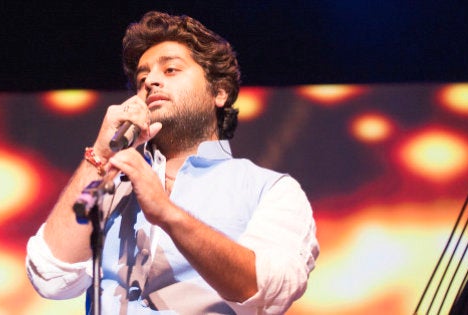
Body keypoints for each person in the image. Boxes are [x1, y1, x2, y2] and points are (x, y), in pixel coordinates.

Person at [26, 11, 319, 315]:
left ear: (219, 92)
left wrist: (167, 214)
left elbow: (269, 292)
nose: (151, 81)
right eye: (142, 78)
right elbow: (50, 277)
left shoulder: (270, 190)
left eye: (170, 70)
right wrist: (100, 154)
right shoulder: (109, 182)